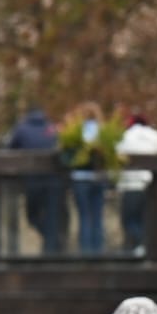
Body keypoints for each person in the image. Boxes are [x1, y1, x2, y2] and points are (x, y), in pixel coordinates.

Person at [7, 106, 66, 255]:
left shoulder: (21, 129)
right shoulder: (52, 128)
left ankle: (52, 243)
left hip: (32, 180)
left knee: (32, 216)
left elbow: (11, 150)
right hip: (54, 180)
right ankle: (52, 249)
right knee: (51, 217)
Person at [116, 113, 157, 254]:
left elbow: (118, 156)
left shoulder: (126, 136)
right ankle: (145, 247)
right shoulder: (155, 136)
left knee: (130, 219)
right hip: (151, 184)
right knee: (147, 219)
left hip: (131, 184)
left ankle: (139, 245)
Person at [65, 101, 109, 255]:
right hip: (99, 177)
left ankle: (85, 253)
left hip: (81, 178)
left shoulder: (76, 132)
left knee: (84, 217)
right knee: (97, 217)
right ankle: (98, 252)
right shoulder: (102, 131)